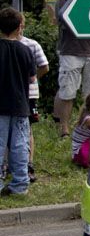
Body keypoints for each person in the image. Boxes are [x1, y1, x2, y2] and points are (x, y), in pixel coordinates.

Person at [53, 0, 90, 137]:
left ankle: (87, 125)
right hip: (70, 51)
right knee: (67, 92)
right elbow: (64, 21)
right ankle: (64, 129)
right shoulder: (63, 0)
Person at [0, 8, 37, 197]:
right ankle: (20, 184)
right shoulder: (25, 50)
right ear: (19, 27)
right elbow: (32, 78)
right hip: (21, 105)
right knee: (20, 146)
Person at [16, 25, 48, 183]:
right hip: (12, 94)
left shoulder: (31, 44)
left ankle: (29, 164)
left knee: (27, 128)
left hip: (29, 94)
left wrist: (32, 79)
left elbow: (44, 66)